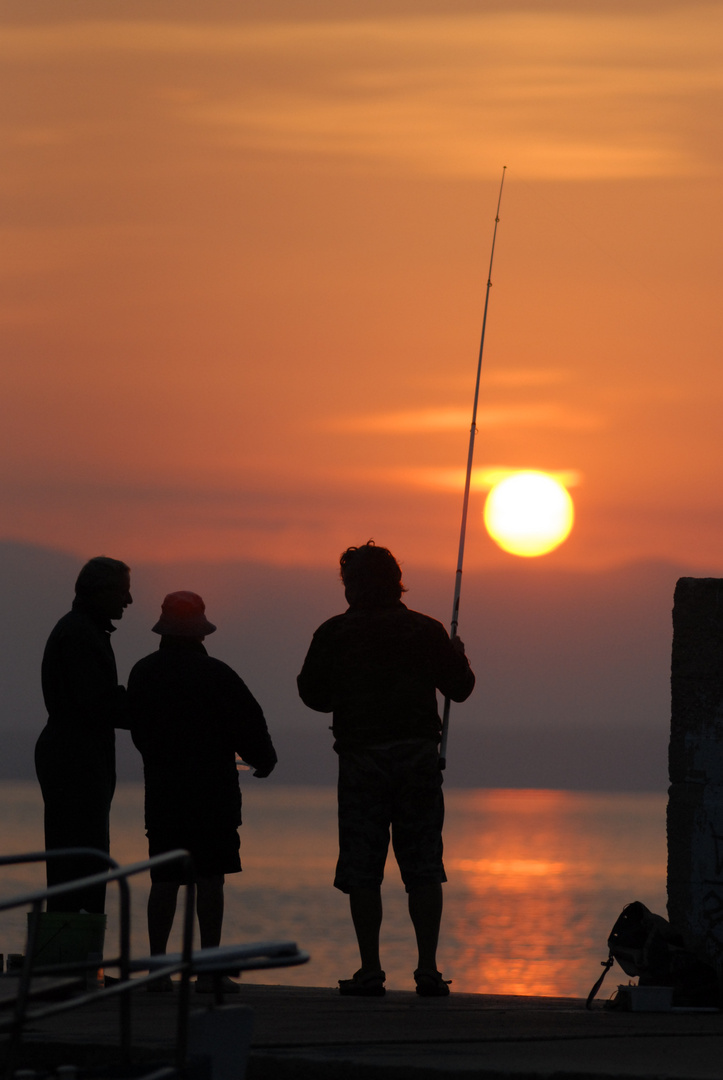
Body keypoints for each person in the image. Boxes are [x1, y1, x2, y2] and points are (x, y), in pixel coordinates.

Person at [297, 541, 475, 997]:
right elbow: (460, 688)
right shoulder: (425, 630)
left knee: (363, 867)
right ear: (396, 581)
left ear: (352, 586)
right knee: (423, 866)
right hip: (417, 758)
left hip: (361, 760)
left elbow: (313, 696)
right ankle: (428, 970)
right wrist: (457, 653)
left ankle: (370, 969)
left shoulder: (334, 633)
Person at [128, 591, 277, 993]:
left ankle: (157, 971)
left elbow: (137, 729)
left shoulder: (143, 672)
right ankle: (208, 970)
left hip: (163, 791)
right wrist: (264, 758)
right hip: (214, 792)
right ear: (200, 631)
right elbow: (249, 722)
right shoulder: (218, 674)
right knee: (211, 878)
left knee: (164, 879)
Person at [35, 556, 133, 913]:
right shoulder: (80, 635)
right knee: (82, 859)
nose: (129, 600)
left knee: (77, 858)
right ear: (100, 592)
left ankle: (76, 951)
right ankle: (75, 953)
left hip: (74, 753)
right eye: (123, 592)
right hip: (75, 758)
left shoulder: (81, 630)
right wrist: (150, 707)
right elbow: (97, 704)